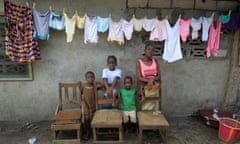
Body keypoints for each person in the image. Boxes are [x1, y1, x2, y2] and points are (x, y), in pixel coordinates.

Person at [136, 42, 161, 111]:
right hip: (145, 88)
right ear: (145, 50)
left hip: (154, 88)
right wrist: (148, 81)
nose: (150, 51)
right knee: (145, 109)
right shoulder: (139, 62)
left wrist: (152, 80)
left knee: (155, 111)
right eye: (148, 49)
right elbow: (139, 77)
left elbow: (159, 76)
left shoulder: (155, 61)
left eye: (152, 50)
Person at [81, 71, 102, 140]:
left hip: (93, 106)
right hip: (85, 105)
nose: (91, 79)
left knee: (93, 118)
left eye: (92, 77)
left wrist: (98, 83)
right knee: (86, 118)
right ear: (86, 79)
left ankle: (93, 131)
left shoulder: (95, 86)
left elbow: (102, 87)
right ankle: (86, 132)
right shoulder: (84, 86)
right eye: (89, 77)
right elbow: (81, 93)